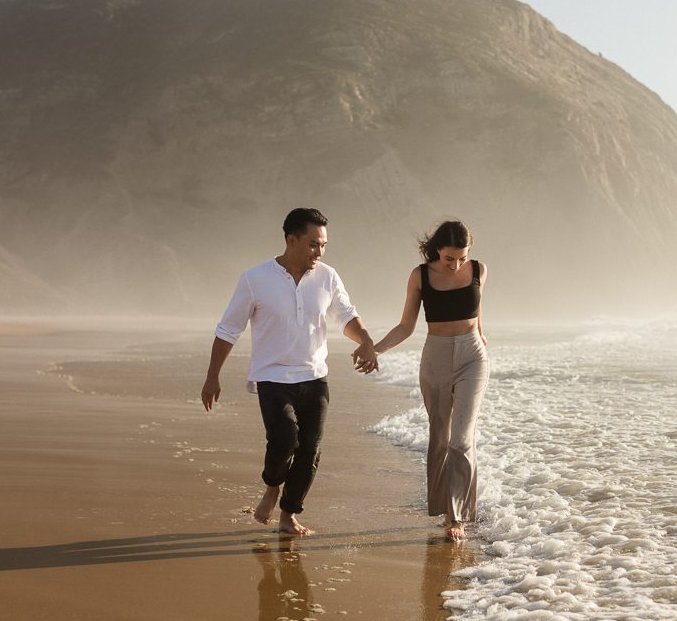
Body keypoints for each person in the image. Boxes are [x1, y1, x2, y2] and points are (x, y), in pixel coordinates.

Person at [201, 208, 378, 536]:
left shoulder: (327, 276)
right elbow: (228, 329)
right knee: (285, 441)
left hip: (314, 376)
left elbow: (346, 317)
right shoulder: (256, 279)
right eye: (313, 244)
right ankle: (272, 487)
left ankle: (288, 515)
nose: (319, 252)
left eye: (323, 245)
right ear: (291, 240)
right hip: (272, 376)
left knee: (310, 449)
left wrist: (366, 340)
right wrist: (213, 376)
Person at [373, 220, 489, 541]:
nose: (456, 265)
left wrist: (480, 336)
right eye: (450, 258)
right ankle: (442, 508)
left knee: (462, 438)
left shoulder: (479, 270)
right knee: (439, 435)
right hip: (435, 357)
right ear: (438, 250)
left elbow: (477, 312)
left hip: (472, 357)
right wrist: (375, 349)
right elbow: (406, 326)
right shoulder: (420, 276)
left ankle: (458, 518)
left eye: (462, 258)